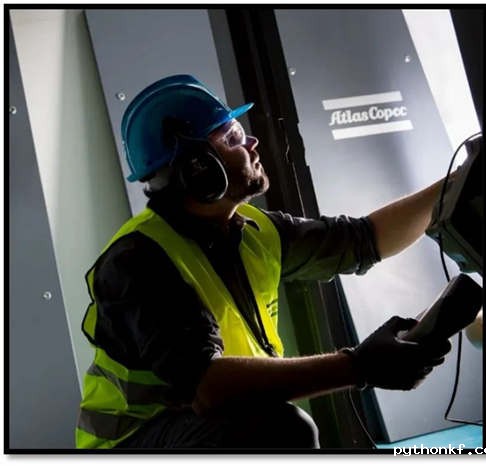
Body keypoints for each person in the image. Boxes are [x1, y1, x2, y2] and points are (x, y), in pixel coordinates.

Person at [75, 74, 451, 450]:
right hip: (131, 442)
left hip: (198, 429)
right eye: (233, 137)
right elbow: (210, 387)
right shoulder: (138, 261)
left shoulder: (254, 230)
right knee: (280, 428)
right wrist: (360, 365)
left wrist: (453, 187)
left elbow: (362, 241)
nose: (252, 143)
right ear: (199, 168)